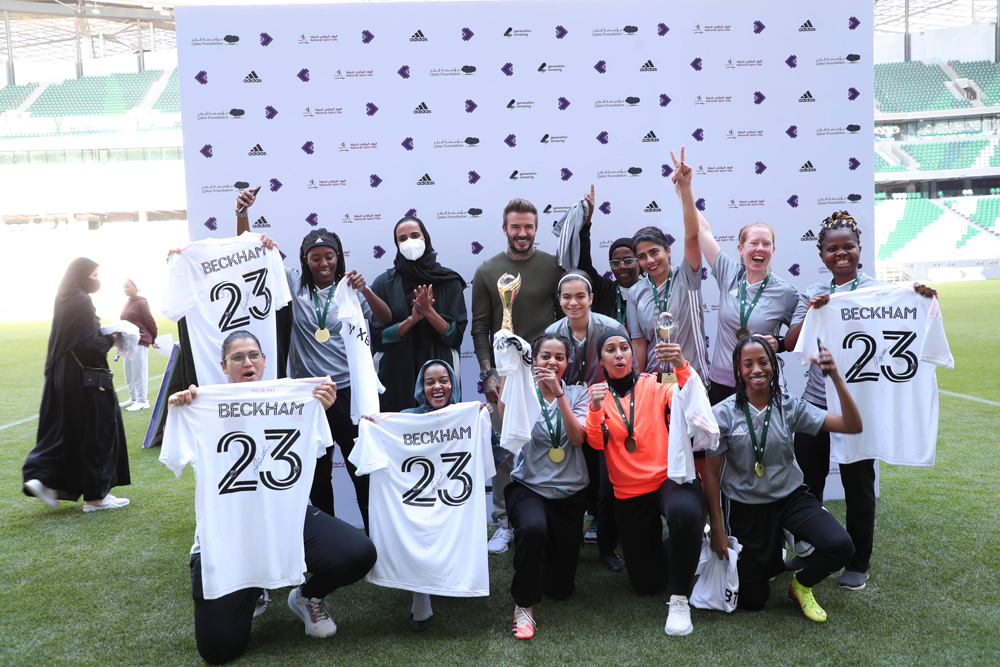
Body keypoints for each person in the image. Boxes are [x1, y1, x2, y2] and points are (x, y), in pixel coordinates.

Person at [167, 331, 377, 664]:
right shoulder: (202, 403)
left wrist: (319, 406)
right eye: (237, 357)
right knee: (219, 651)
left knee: (359, 552)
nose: (246, 362)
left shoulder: (295, 399)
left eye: (253, 355)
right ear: (223, 365)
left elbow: (319, 451)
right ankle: (252, 588)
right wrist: (183, 406)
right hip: (228, 530)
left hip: (284, 516)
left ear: (265, 361)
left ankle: (306, 597)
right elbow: (179, 452)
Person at [783, 211, 938, 591]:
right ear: (821, 253)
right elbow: (789, 343)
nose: (840, 254)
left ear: (859, 249)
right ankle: (810, 548)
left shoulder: (879, 291)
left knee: (858, 485)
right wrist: (815, 310)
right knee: (807, 481)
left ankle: (858, 561)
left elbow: (909, 320)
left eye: (847, 247)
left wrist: (920, 298)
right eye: (832, 248)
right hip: (817, 404)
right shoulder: (812, 293)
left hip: (858, 405)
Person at [236, 189, 391, 528]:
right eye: (316, 257)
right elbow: (250, 256)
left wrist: (365, 289)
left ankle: (372, 538)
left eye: (330, 257)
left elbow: (385, 317)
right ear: (305, 259)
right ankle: (332, 541)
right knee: (318, 474)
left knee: (358, 471)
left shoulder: (349, 289)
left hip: (348, 394)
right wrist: (242, 213)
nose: (323, 263)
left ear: (339, 258)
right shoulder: (292, 283)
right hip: (309, 396)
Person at [703, 335, 862, 622]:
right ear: (738, 370)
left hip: (790, 497)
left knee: (841, 545)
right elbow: (711, 474)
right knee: (754, 601)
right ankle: (772, 553)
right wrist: (717, 528)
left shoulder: (789, 406)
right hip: (745, 505)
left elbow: (851, 425)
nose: (757, 370)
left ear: (774, 366)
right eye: (747, 364)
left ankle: (800, 585)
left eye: (763, 362)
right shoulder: (723, 414)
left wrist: (836, 378)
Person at [585, 331, 703, 636]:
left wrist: (681, 364)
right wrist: (596, 408)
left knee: (685, 513)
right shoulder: (596, 394)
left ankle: (680, 600)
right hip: (629, 492)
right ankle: (691, 546)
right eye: (610, 350)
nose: (620, 354)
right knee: (646, 584)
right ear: (602, 361)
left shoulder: (654, 381)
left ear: (633, 355)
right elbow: (596, 442)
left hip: (668, 479)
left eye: (624, 348)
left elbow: (685, 391)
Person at [471, 197, 565, 553]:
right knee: (506, 452)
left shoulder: (554, 267)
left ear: (536, 229)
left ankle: (548, 518)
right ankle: (504, 522)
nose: (522, 233)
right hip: (506, 377)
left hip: (545, 372)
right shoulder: (487, 270)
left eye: (528, 227)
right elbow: (480, 328)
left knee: (549, 443)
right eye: (515, 227)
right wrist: (489, 375)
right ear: (504, 228)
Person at [671, 149, 799, 405]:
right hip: (722, 383)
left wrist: (782, 344)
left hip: (760, 385)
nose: (760, 249)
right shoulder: (729, 272)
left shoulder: (786, 293)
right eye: (753, 243)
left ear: (773, 251)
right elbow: (702, 231)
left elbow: (803, 334)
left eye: (766, 244)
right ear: (741, 250)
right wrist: (685, 189)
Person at [22, 257, 131, 513]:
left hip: (62, 374)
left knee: (66, 428)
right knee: (99, 429)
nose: (96, 280)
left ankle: (44, 478)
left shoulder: (64, 298)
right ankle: (96, 497)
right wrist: (114, 335)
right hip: (86, 377)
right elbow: (90, 345)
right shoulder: (82, 300)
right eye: (93, 275)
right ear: (82, 275)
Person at [501, 334, 591, 639]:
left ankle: (541, 562)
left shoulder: (579, 394)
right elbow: (508, 430)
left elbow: (578, 438)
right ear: (534, 360)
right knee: (532, 529)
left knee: (560, 590)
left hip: (569, 494)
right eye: (545, 356)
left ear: (568, 362)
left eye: (560, 357)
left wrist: (559, 395)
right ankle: (523, 607)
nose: (552, 362)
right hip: (530, 487)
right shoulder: (523, 392)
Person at [545, 271, 633, 571]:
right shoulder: (553, 333)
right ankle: (563, 539)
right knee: (571, 477)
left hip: (606, 411)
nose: (573, 302)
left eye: (580, 296)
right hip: (568, 412)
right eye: (566, 297)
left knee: (608, 481)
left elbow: (627, 370)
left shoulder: (611, 328)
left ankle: (608, 545)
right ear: (559, 300)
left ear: (591, 298)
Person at [370, 216, 468, 412]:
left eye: (415, 236)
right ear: (396, 244)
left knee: (442, 432)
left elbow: (455, 337)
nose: (410, 242)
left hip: (439, 370)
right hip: (396, 373)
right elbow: (379, 339)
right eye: (402, 239)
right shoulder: (383, 284)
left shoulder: (449, 281)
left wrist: (429, 312)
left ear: (426, 238)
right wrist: (412, 320)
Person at [627, 224, 710, 384]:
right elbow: (638, 343)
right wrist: (638, 384)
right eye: (642, 256)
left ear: (668, 251)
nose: (650, 260)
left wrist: (685, 197)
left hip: (691, 377)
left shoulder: (687, 276)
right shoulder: (635, 292)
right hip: (655, 380)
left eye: (654, 252)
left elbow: (693, 236)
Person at [575, 185, 643, 325]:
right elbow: (583, 263)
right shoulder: (603, 289)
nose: (622, 267)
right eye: (615, 262)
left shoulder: (651, 292)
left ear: (639, 261)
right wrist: (586, 223)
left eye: (628, 260)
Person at [119, 278, 159, 411]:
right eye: (124, 287)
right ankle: (134, 398)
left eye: (128, 287)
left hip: (140, 340)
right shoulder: (127, 303)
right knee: (129, 372)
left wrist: (154, 339)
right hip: (128, 342)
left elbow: (150, 321)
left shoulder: (141, 302)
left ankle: (143, 401)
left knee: (139, 371)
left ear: (136, 287)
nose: (125, 290)